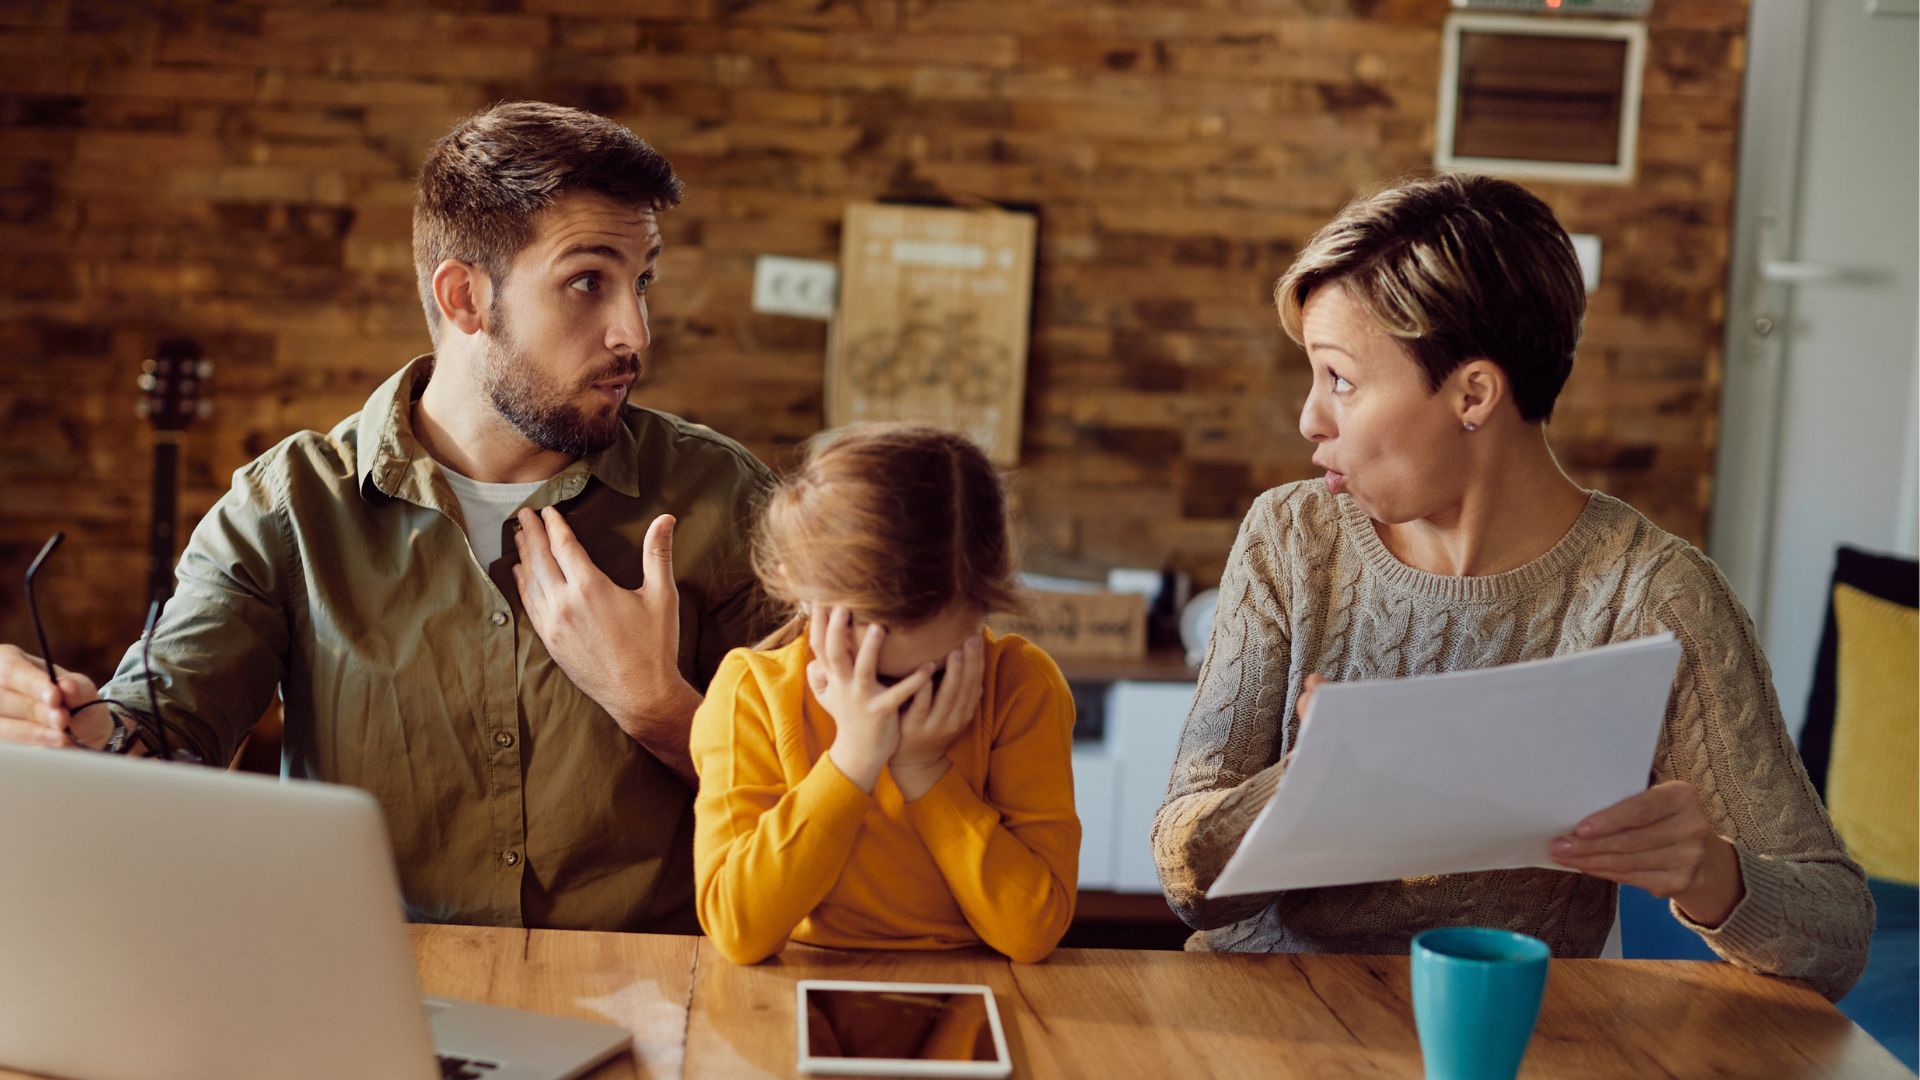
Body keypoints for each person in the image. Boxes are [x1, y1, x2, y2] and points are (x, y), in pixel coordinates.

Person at [0, 101, 773, 934]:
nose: (635, 332)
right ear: (465, 297)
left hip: (659, 1016)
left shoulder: (721, 499)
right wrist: (68, 730)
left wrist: (660, 709)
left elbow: (834, 809)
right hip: (377, 1010)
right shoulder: (286, 507)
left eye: (642, 279)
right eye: (590, 281)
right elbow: (160, 730)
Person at [1150, 173, 1873, 1001]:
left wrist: (1712, 874)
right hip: (1267, 1020)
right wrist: (1313, 782)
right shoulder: (1291, 539)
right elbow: (1187, 879)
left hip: (1510, 1038)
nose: (1310, 418)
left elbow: (1837, 935)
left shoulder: (1655, 596)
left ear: (1473, 394)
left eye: (1340, 379)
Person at [689, 425, 1080, 964]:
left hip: (979, 986)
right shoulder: (752, 692)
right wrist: (854, 757)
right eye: (874, 674)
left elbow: (1033, 930)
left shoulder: (1021, 685)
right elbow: (739, 930)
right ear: (798, 587)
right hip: (799, 989)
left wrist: (925, 770)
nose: (902, 699)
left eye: (936, 672)